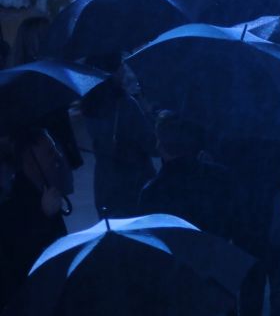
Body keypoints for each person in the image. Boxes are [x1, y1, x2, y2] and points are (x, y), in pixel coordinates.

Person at [138, 111, 235, 240]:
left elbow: (149, 238)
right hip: (214, 253)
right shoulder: (220, 176)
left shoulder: (152, 191)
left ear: (160, 145)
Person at [0, 129, 68, 310]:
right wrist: (44, 217)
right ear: (30, 160)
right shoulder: (13, 206)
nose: (58, 157)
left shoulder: (45, 191)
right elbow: (20, 262)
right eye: (50, 153)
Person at [81, 54, 156, 218]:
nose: (124, 69)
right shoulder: (126, 104)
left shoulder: (89, 105)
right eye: (121, 65)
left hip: (105, 181)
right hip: (134, 180)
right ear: (112, 71)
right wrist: (149, 113)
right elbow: (151, 143)